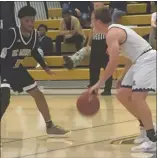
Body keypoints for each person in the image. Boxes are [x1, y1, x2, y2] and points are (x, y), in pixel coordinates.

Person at [89, 7, 156, 152]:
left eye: (92, 20)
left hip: (148, 59)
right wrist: (123, 76)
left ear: (99, 22)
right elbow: (132, 55)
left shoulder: (112, 34)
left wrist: (99, 83)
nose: (91, 24)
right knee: (122, 94)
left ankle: (153, 139)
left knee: (138, 98)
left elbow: (113, 62)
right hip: (139, 60)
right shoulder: (115, 32)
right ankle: (147, 128)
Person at [0, 6, 71, 138]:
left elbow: (33, 52)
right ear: (21, 21)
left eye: (32, 21)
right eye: (27, 21)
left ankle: (50, 126)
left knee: (38, 94)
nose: (31, 24)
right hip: (2, 68)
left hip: (17, 69)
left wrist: (45, 67)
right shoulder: (11, 34)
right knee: (4, 98)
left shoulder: (34, 36)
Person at [63, 2, 112, 95]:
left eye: (98, 5)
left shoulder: (107, 21)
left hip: (105, 44)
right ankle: (93, 87)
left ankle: (108, 89)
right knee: (93, 68)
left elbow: (110, 34)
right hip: (95, 45)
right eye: (95, 5)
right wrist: (88, 44)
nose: (96, 7)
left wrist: (109, 46)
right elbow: (91, 32)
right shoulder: (94, 20)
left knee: (107, 69)